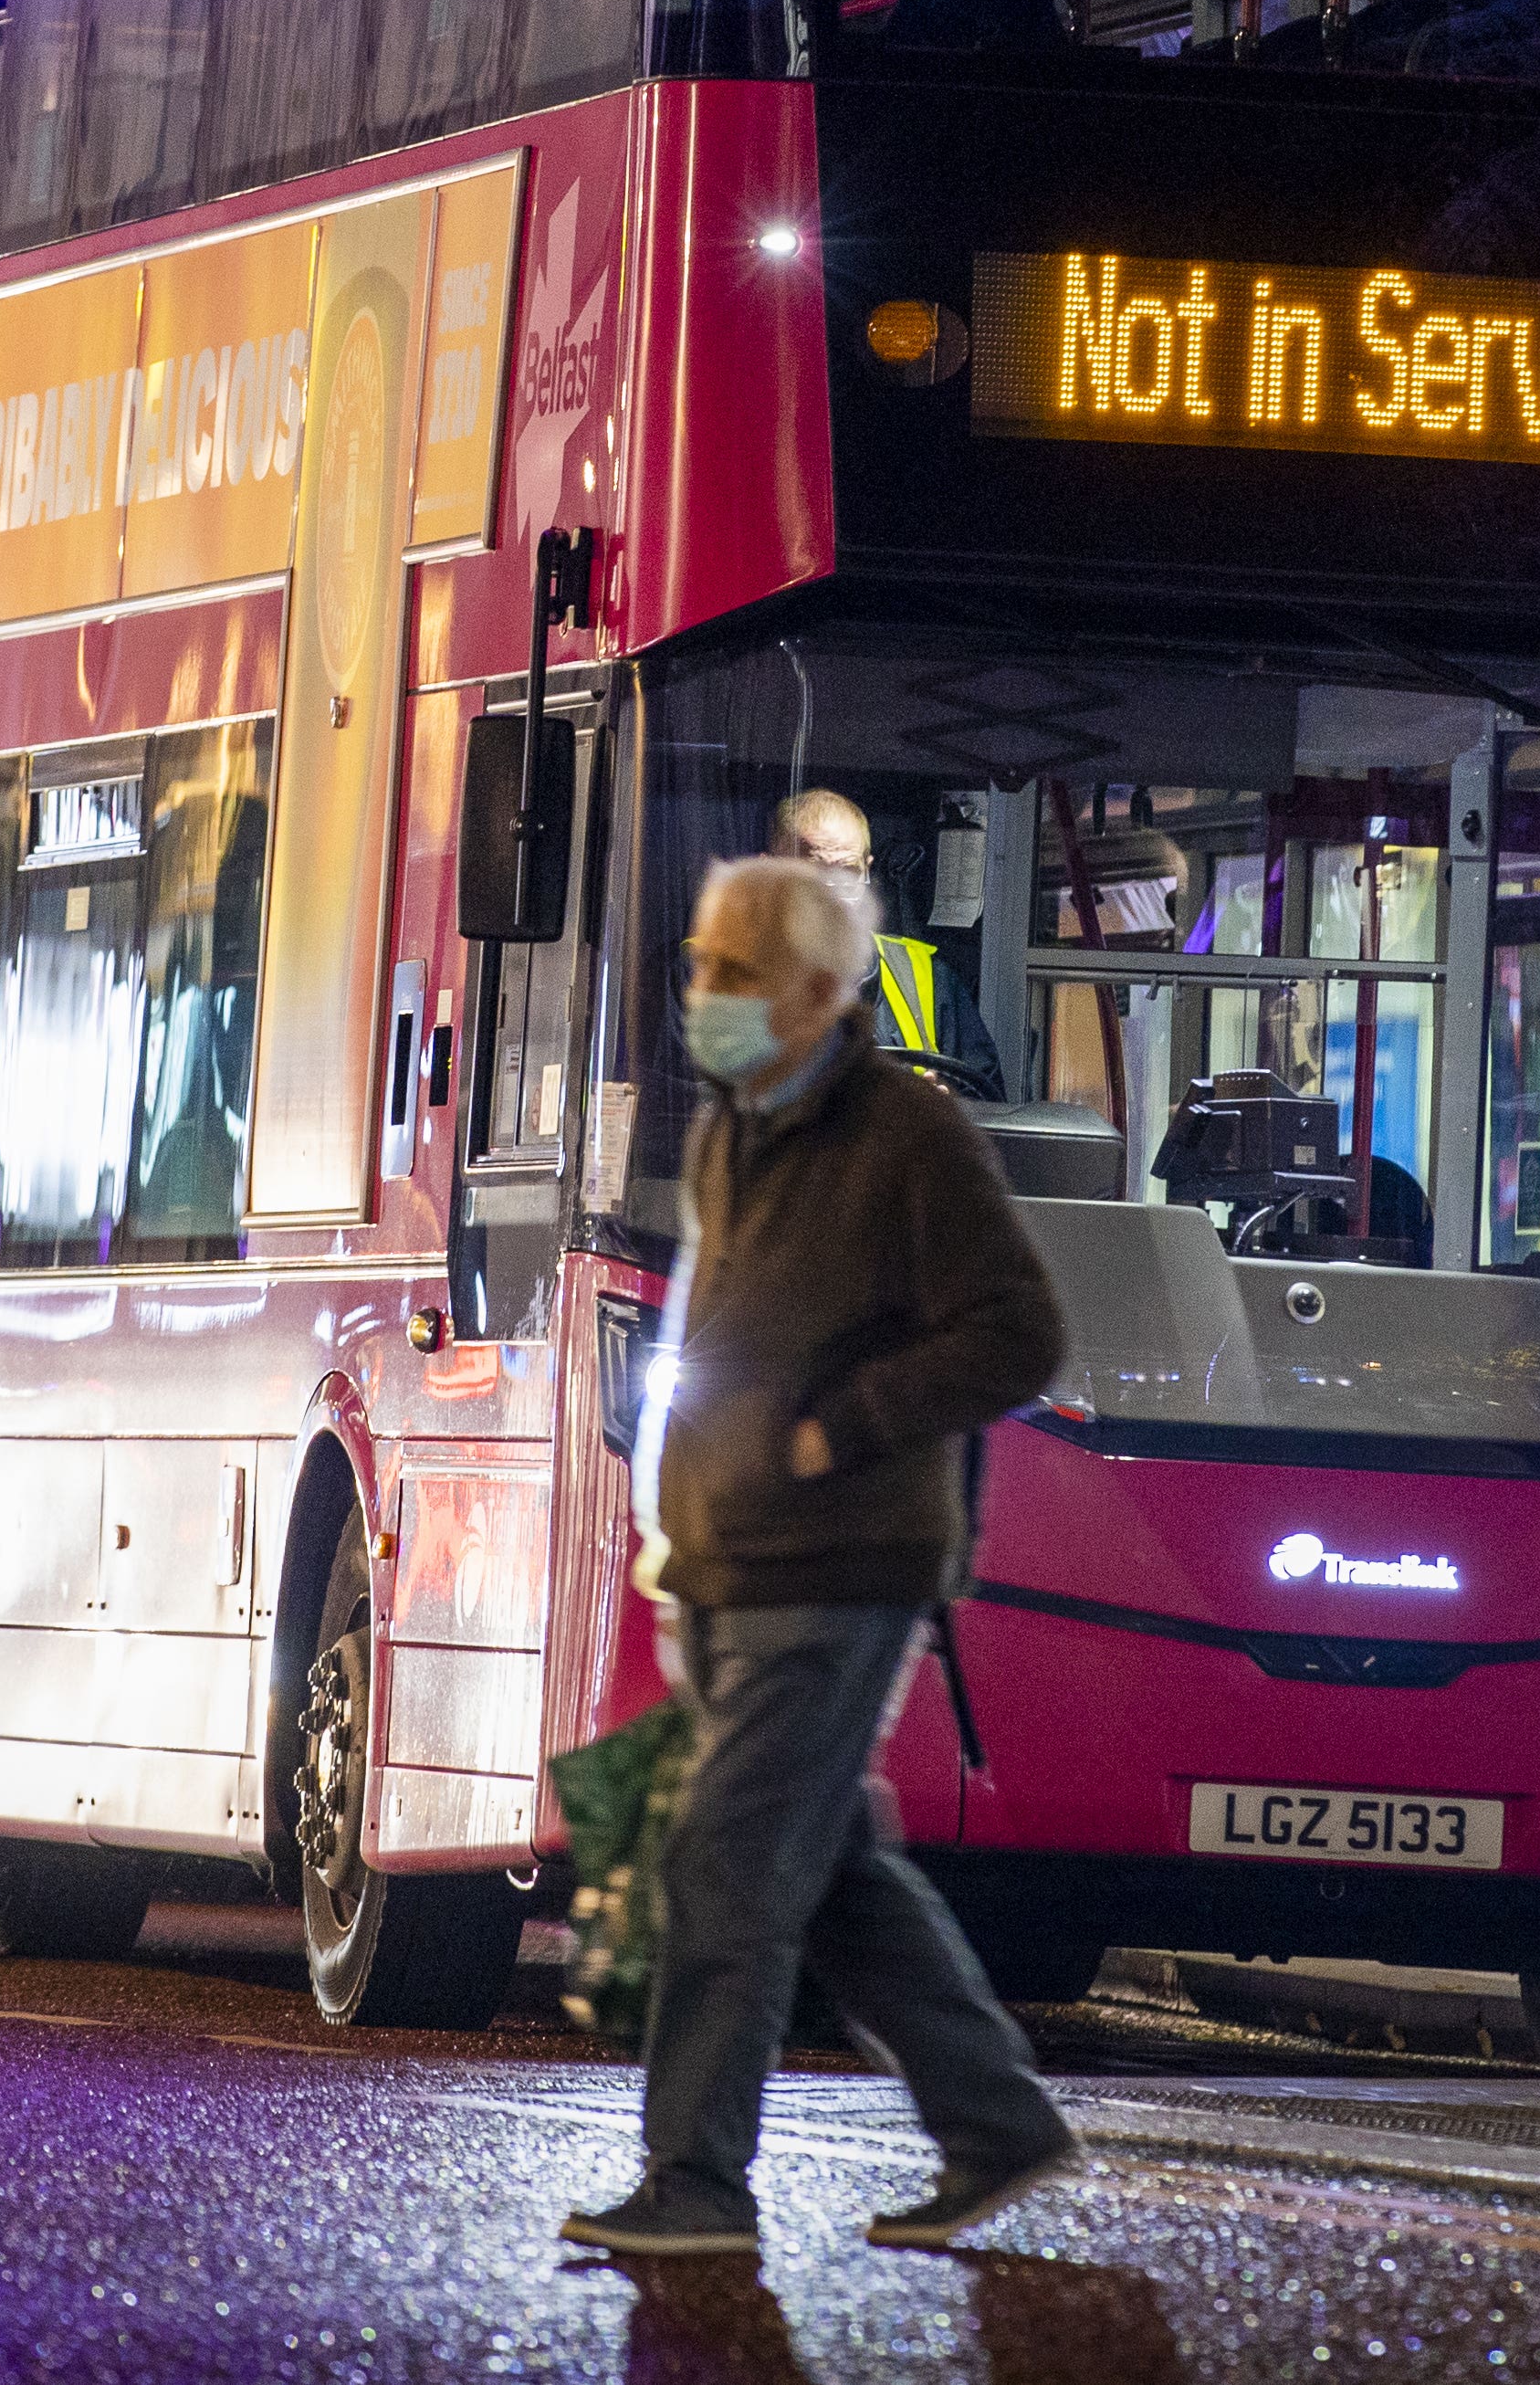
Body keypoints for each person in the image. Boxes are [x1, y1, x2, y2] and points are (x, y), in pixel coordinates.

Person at [561, 855, 1077, 2261]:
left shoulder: (908, 1132)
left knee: (723, 1859)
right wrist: (680, 1523)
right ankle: (996, 2123)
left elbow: (1018, 1334)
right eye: (698, 962)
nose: (703, 994)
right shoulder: (733, 1128)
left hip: (846, 1562)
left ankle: (696, 2185)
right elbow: (715, 1344)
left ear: (811, 991)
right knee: (831, 1868)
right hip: (728, 1564)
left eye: (732, 969)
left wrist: (838, 1428)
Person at [773, 790, 1000, 1088]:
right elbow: (701, 1108)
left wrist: (945, 1109)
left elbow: (990, 1104)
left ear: (867, 870)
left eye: (849, 872)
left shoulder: (928, 981)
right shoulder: (717, 972)